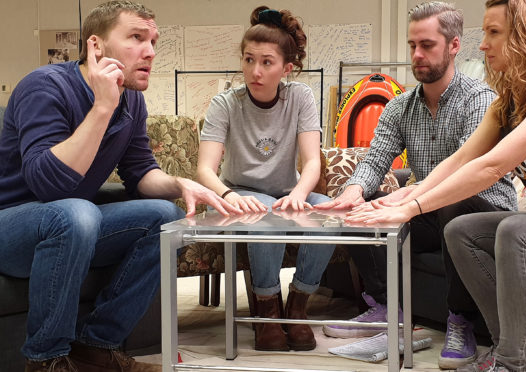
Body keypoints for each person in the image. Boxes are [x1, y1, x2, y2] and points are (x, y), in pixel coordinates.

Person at [346, 0, 526, 371]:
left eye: (494, 33)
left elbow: (491, 167)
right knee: (461, 230)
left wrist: (410, 208)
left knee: (514, 231)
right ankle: (504, 343)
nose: (483, 44)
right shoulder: (506, 104)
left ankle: (509, 363)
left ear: (525, 35)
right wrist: (400, 198)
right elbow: (460, 161)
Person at [0, 1, 239, 371]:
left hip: (72, 226)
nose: (150, 52)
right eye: (136, 38)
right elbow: (49, 186)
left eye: (153, 41)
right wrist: (101, 109)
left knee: (165, 217)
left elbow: (140, 172)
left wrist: (180, 183)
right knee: (75, 212)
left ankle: (97, 345)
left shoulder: (132, 101)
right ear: (96, 47)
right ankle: (46, 360)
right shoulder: (44, 87)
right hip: (12, 227)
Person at [316, 2, 516, 369]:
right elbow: (375, 161)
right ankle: (389, 308)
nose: (417, 55)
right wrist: (352, 193)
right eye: (412, 46)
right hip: (428, 206)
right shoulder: (399, 107)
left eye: (427, 45)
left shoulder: (480, 99)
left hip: (482, 210)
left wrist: (410, 199)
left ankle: (460, 322)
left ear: (454, 45)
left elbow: (467, 174)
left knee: (456, 209)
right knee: (363, 206)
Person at [196, 6, 335, 352]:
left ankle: (298, 306)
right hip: (242, 192)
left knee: (331, 214)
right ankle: (267, 311)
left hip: (290, 190)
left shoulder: (299, 97)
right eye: (248, 59)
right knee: (266, 214)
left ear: (286, 68)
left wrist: (301, 193)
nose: (255, 71)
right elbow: (204, 170)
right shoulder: (224, 103)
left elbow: (312, 161)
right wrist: (228, 195)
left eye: (267, 62)